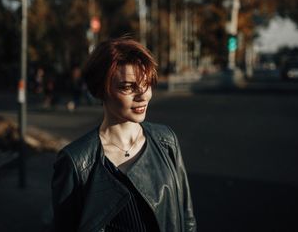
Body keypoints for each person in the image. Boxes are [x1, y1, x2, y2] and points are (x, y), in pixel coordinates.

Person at [51, 37, 196, 232]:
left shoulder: (166, 140)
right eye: (128, 87)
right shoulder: (76, 162)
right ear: (102, 90)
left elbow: (186, 217)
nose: (143, 95)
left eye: (146, 84)